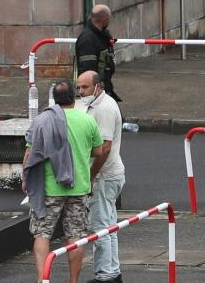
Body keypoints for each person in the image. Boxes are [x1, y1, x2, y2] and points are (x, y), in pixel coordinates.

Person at [24, 81, 101, 283]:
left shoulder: (42, 120)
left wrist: (26, 179)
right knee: (75, 236)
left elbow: (30, 153)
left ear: (55, 99)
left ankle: (42, 279)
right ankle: (73, 281)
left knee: (42, 233)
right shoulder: (87, 120)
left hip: (49, 189)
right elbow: (99, 151)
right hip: (79, 187)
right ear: (73, 97)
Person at [77, 70, 126, 283]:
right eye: (78, 87)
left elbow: (104, 149)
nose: (81, 91)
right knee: (109, 226)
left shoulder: (104, 108)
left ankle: (105, 275)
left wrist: (90, 176)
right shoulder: (97, 104)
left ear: (98, 86)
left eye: (85, 87)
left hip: (104, 176)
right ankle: (111, 273)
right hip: (110, 174)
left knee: (100, 227)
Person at [74, 5, 118, 103]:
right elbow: (87, 72)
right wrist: (95, 93)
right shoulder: (87, 40)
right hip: (95, 95)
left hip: (104, 90)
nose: (109, 21)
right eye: (109, 18)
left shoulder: (102, 36)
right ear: (105, 19)